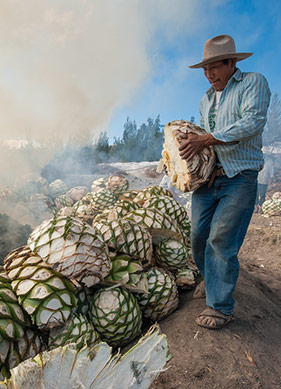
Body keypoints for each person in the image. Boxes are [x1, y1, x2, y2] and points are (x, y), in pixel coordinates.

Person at [178, 34, 271, 329]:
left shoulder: (252, 83)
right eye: (205, 70)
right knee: (198, 235)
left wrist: (206, 138)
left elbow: (252, 122)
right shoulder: (206, 99)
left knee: (221, 239)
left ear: (232, 62)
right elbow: (206, 143)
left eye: (215, 68)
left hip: (239, 177)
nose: (209, 75)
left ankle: (220, 306)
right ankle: (211, 278)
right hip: (209, 180)